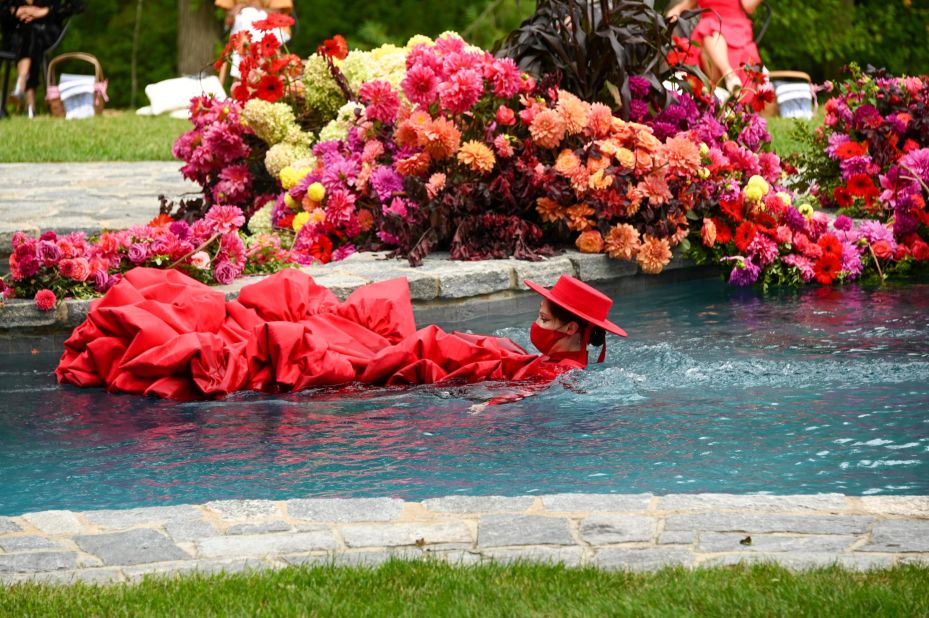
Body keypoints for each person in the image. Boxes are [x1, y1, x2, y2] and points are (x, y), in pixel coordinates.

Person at [55, 268, 627, 402]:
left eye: (549, 319)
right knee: (327, 332)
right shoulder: (554, 364)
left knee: (317, 342)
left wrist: (490, 407)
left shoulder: (557, 373)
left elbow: (524, 388)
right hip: (419, 355)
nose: (540, 324)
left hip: (421, 360)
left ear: (574, 330)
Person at [0, 0, 84, 118]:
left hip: (45, 31)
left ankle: (22, 85)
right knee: (29, 34)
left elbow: (78, 5)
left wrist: (44, 11)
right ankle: (29, 104)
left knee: (33, 34)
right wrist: (15, 11)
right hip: (15, 35)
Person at [666, 0, 763, 94]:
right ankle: (728, 77)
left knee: (708, 31)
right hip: (707, 35)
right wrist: (676, 10)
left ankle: (724, 80)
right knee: (707, 36)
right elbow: (690, 3)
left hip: (734, 29)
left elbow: (749, 7)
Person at [214, 0, 293, 84]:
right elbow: (229, 20)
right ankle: (254, 67)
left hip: (272, 28)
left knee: (249, 14)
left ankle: (243, 75)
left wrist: (251, 8)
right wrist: (238, 11)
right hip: (243, 28)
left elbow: (278, 14)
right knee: (246, 15)